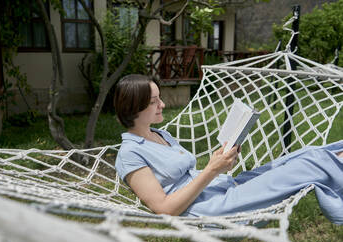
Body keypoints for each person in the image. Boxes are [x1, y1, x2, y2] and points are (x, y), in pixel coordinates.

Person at [113, 74, 343, 224]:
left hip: (222, 186)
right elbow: (164, 209)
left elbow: (193, 175)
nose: (162, 104)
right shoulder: (130, 154)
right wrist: (212, 170)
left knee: (305, 154)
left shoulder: (161, 134)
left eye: (159, 98)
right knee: (307, 165)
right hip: (211, 209)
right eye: (154, 101)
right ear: (134, 107)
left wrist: (219, 162)